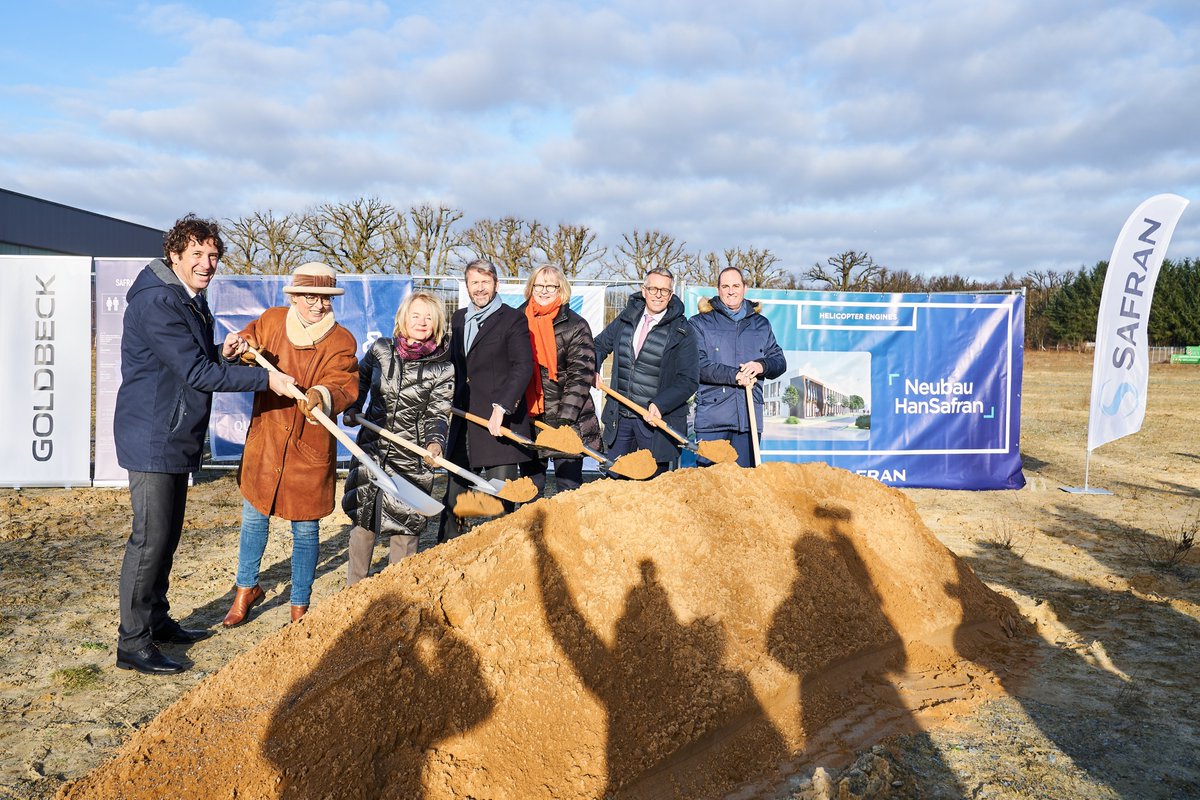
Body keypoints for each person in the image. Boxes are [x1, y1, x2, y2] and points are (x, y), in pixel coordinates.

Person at [114, 214, 296, 675]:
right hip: (154, 435)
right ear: (174, 254)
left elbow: (195, 362)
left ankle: (156, 621)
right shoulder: (159, 300)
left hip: (173, 434)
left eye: (213, 255)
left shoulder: (187, 298)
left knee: (166, 536)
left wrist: (223, 353)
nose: (207, 263)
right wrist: (267, 378)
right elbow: (194, 374)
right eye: (197, 254)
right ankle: (132, 642)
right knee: (149, 539)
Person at [221, 262, 358, 627]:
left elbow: (344, 384)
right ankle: (245, 589)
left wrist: (322, 395)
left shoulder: (341, 340)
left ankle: (300, 604)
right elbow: (248, 346)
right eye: (310, 297)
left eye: (325, 299)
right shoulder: (272, 320)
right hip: (266, 438)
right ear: (295, 296)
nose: (318, 305)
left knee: (306, 528)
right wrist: (239, 347)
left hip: (308, 445)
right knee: (253, 518)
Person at [341, 291, 453, 584]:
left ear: (437, 323)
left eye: (429, 317)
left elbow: (438, 412)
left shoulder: (443, 367)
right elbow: (360, 378)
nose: (421, 322)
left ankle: (397, 592)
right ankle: (354, 593)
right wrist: (353, 407)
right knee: (364, 520)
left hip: (412, 456)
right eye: (415, 315)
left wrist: (434, 443)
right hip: (373, 447)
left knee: (405, 526)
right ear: (403, 318)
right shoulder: (380, 349)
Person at [438, 259, 534, 542]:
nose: (480, 289)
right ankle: (446, 556)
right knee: (455, 499)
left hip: (497, 425)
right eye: (474, 283)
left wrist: (502, 406)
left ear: (496, 284)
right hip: (463, 420)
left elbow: (522, 366)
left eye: (485, 282)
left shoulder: (513, 319)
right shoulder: (457, 319)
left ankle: (500, 561)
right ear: (466, 286)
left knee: (499, 505)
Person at [593, 267, 698, 477]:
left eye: (664, 290)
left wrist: (660, 404)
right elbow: (598, 345)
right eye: (653, 289)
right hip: (620, 417)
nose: (658, 295)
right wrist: (593, 369)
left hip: (654, 424)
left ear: (671, 294)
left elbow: (688, 380)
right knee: (615, 481)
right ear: (643, 290)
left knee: (651, 489)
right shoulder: (626, 319)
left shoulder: (683, 331)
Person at [517, 265, 602, 496]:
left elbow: (581, 374)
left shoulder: (576, 325)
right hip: (531, 419)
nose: (544, 291)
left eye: (551, 286)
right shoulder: (517, 320)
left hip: (568, 421)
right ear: (531, 287)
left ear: (561, 289)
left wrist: (562, 421)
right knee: (531, 490)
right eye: (539, 285)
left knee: (569, 490)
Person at [689, 267, 787, 467]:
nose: (731, 291)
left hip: (748, 421)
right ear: (718, 289)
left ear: (745, 288)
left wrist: (761, 365)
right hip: (712, 420)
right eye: (725, 286)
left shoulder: (761, 325)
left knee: (744, 489)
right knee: (711, 487)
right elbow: (698, 365)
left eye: (735, 286)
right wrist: (736, 375)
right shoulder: (699, 323)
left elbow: (779, 361)